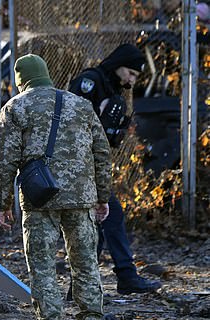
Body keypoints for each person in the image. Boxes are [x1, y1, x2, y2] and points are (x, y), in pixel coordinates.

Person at [0, 54, 112, 320]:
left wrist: (2, 201)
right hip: (82, 197)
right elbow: (102, 153)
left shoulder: (15, 107)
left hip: (39, 199)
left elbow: (4, 159)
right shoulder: (81, 105)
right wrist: (103, 196)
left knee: (42, 264)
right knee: (85, 262)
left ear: (21, 80)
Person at [68, 43, 162, 295]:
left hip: (92, 163)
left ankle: (81, 286)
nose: (132, 79)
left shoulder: (110, 87)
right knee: (107, 216)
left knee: (99, 221)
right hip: (78, 164)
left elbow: (102, 134)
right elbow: (72, 125)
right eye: (131, 73)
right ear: (119, 65)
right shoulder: (89, 82)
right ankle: (124, 277)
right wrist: (101, 118)